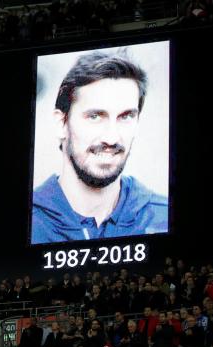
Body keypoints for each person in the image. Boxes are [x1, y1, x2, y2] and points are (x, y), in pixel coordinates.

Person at [31, 50, 168, 243]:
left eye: (126, 116)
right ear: (61, 123)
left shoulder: (164, 216)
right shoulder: (31, 221)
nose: (111, 138)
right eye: (95, 116)